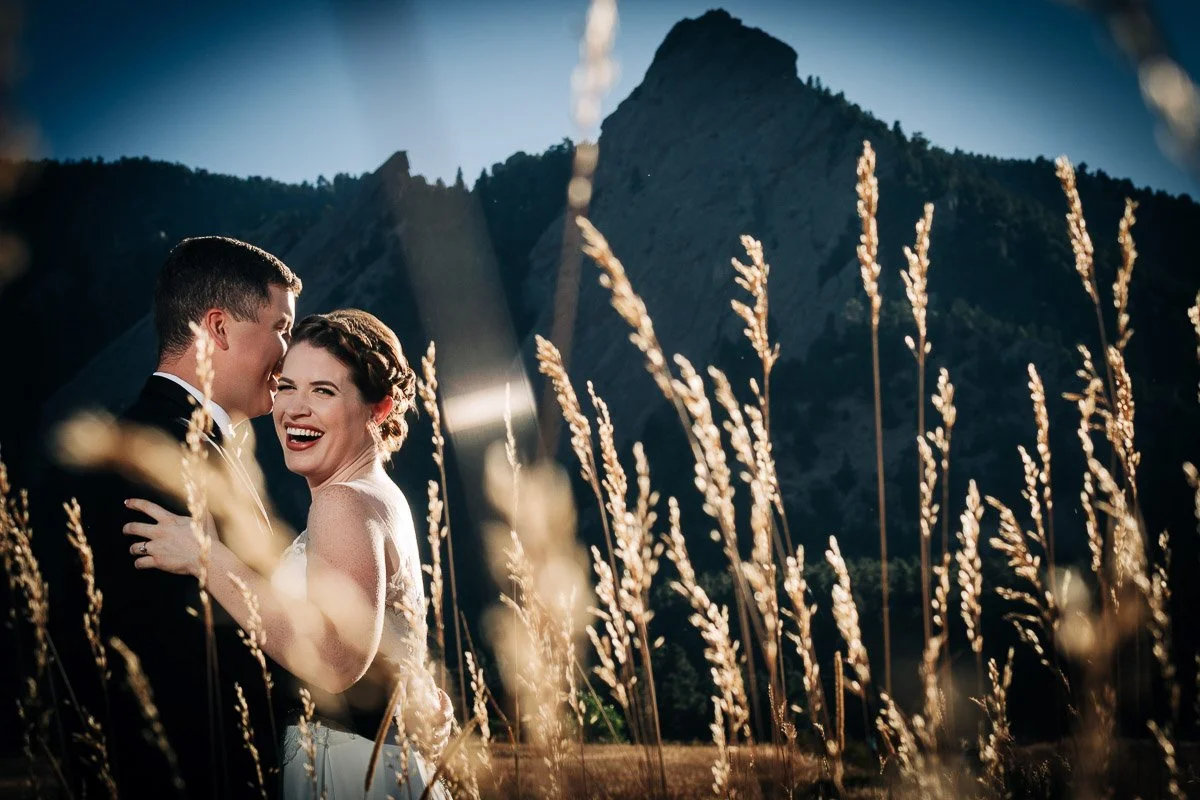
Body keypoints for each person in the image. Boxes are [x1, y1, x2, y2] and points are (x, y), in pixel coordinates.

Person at [125, 309, 452, 799]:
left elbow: (337, 661)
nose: (294, 408)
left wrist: (208, 558)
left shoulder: (343, 502)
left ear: (378, 410)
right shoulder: (375, 495)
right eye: (286, 386)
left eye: (324, 391)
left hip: (346, 772)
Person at [48, 235, 301, 798]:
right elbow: (175, 654)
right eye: (281, 327)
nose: (291, 351)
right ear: (219, 327)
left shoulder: (186, 443)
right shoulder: (161, 459)